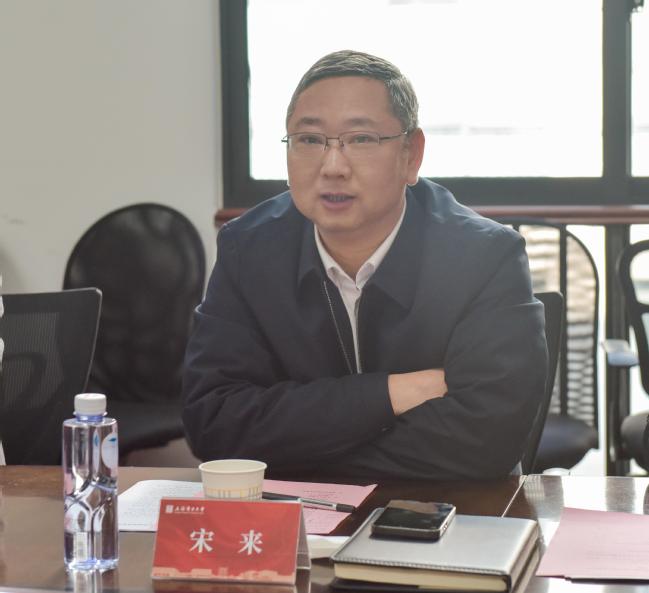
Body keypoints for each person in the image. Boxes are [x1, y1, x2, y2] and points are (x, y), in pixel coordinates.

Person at [182, 50, 548, 480]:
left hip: (455, 508)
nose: (333, 167)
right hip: (299, 514)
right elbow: (214, 425)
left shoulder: (483, 256)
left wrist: (297, 445)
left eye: (361, 139)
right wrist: (390, 393)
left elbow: (487, 440)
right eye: (310, 140)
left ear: (412, 155)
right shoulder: (248, 249)